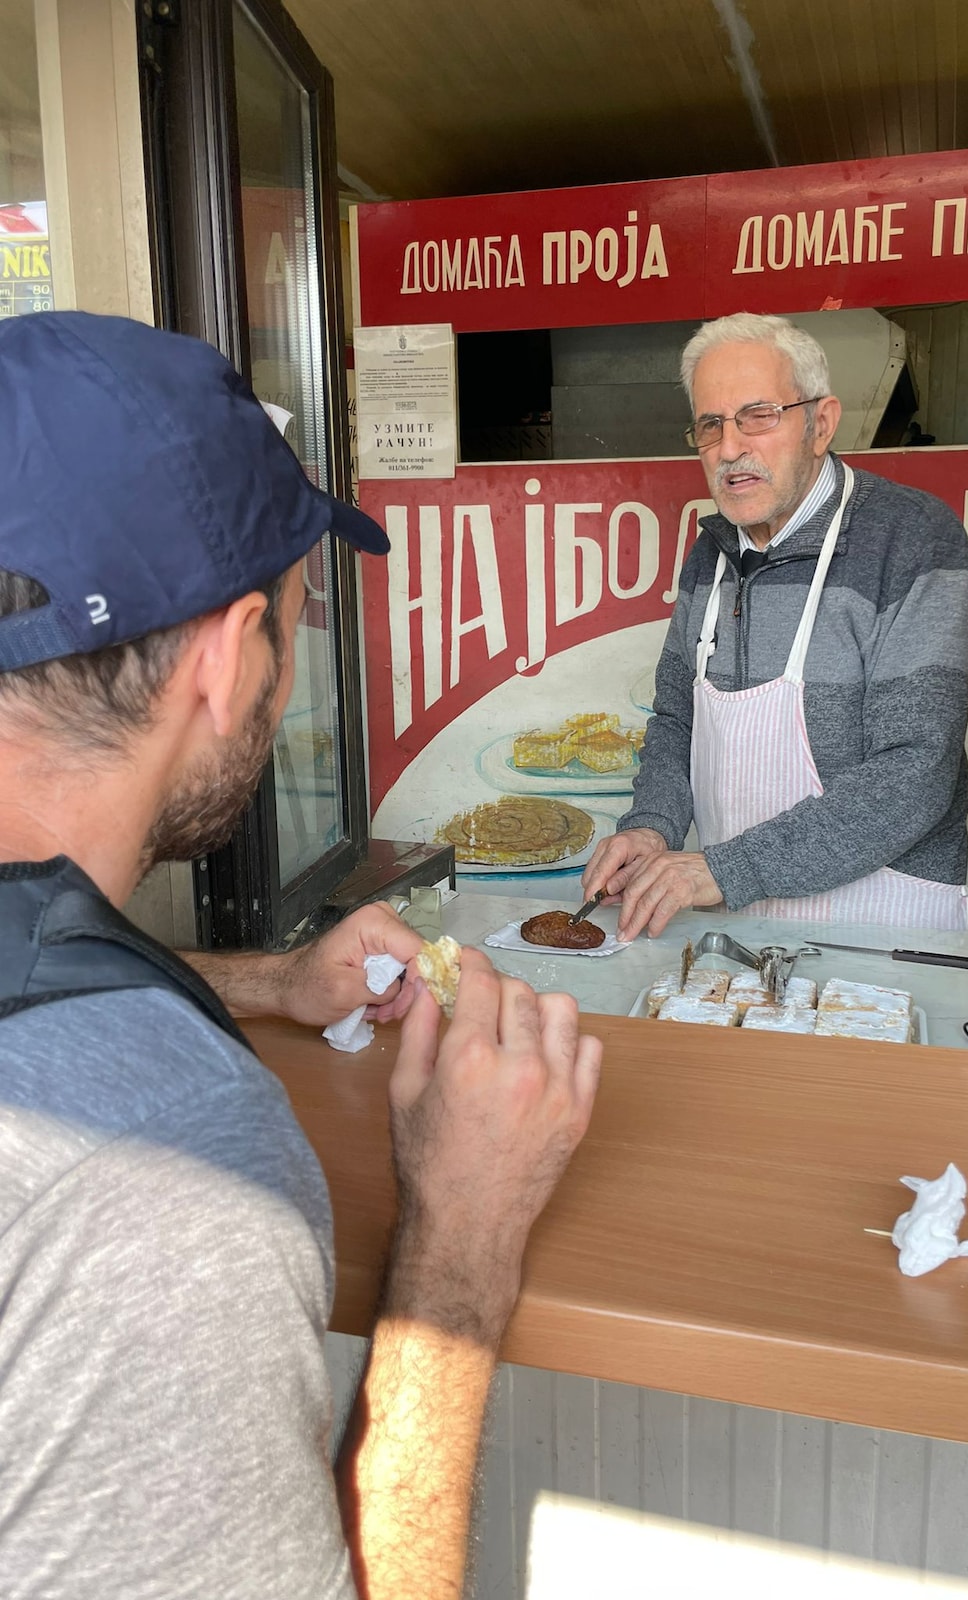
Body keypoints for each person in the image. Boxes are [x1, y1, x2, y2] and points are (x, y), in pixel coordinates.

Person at [0, 311, 601, 1600]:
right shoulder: (162, 1163)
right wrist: (462, 1241)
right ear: (227, 657)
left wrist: (270, 982)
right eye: (292, 620)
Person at [582, 311, 968, 940]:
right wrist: (652, 825)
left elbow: (916, 771)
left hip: (884, 924)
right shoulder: (712, 554)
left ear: (821, 423)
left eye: (758, 416)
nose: (729, 448)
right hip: (743, 925)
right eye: (711, 425)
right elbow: (678, 720)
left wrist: (727, 869)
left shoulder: (913, 539)